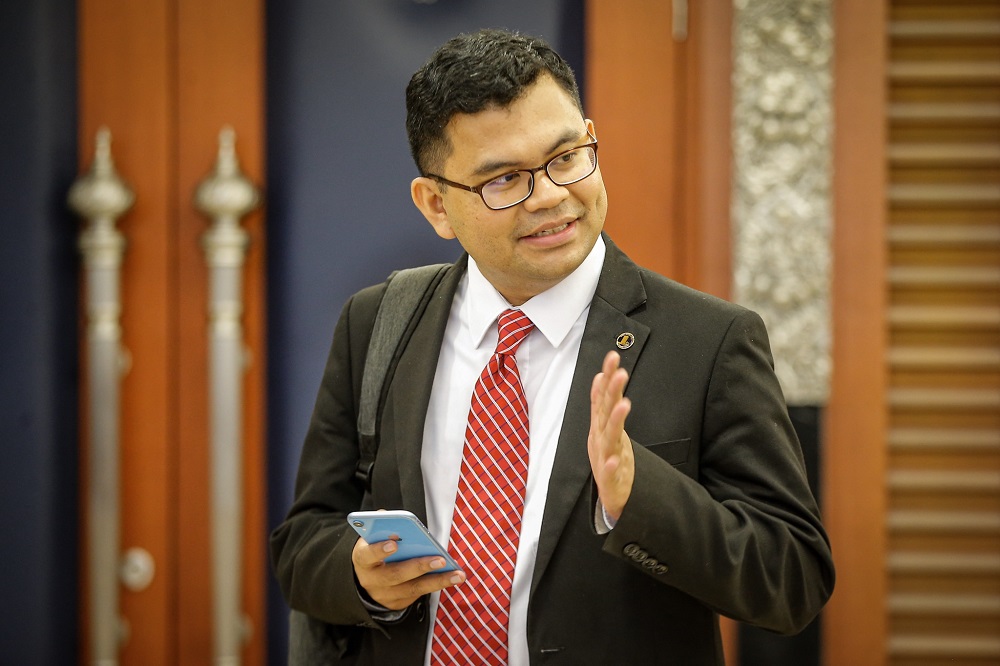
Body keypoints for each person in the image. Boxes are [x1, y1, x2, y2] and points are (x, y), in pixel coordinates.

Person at [270, 28, 834, 665]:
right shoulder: (377, 322)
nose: (551, 197)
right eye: (504, 180)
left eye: (566, 156)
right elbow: (301, 545)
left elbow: (793, 581)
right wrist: (359, 577)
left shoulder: (709, 341)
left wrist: (638, 498)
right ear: (435, 205)